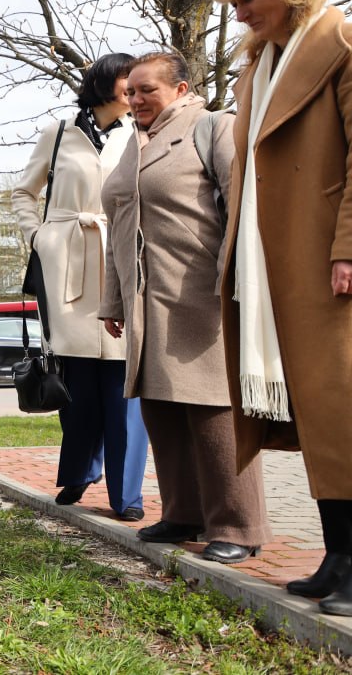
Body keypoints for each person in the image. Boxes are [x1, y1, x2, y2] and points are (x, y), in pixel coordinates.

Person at [208, 0, 352, 614]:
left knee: (342, 410)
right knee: (318, 416)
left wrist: (348, 247)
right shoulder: (259, 67)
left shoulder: (341, 45)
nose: (239, 13)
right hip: (274, 264)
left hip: (325, 260)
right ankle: (339, 555)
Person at [99, 52, 271, 563]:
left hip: (202, 295)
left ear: (180, 89)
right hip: (146, 301)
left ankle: (239, 525)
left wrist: (235, 282)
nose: (135, 100)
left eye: (146, 90)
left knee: (213, 411)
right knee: (162, 407)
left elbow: (243, 207)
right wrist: (113, 298)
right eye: (130, 92)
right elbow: (119, 228)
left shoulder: (212, 127)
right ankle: (184, 512)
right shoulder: (135, 142)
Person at [11, 53, 148, 521]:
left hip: (121, 259)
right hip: (66, 263)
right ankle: (78, 472)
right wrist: (39, 236)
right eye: (129, 80)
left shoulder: (141, 132)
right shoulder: (58, 133)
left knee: (124, 384)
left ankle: (126, 495)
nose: (137, 90)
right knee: (77, 383)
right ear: (106, 82)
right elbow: (23, 192)